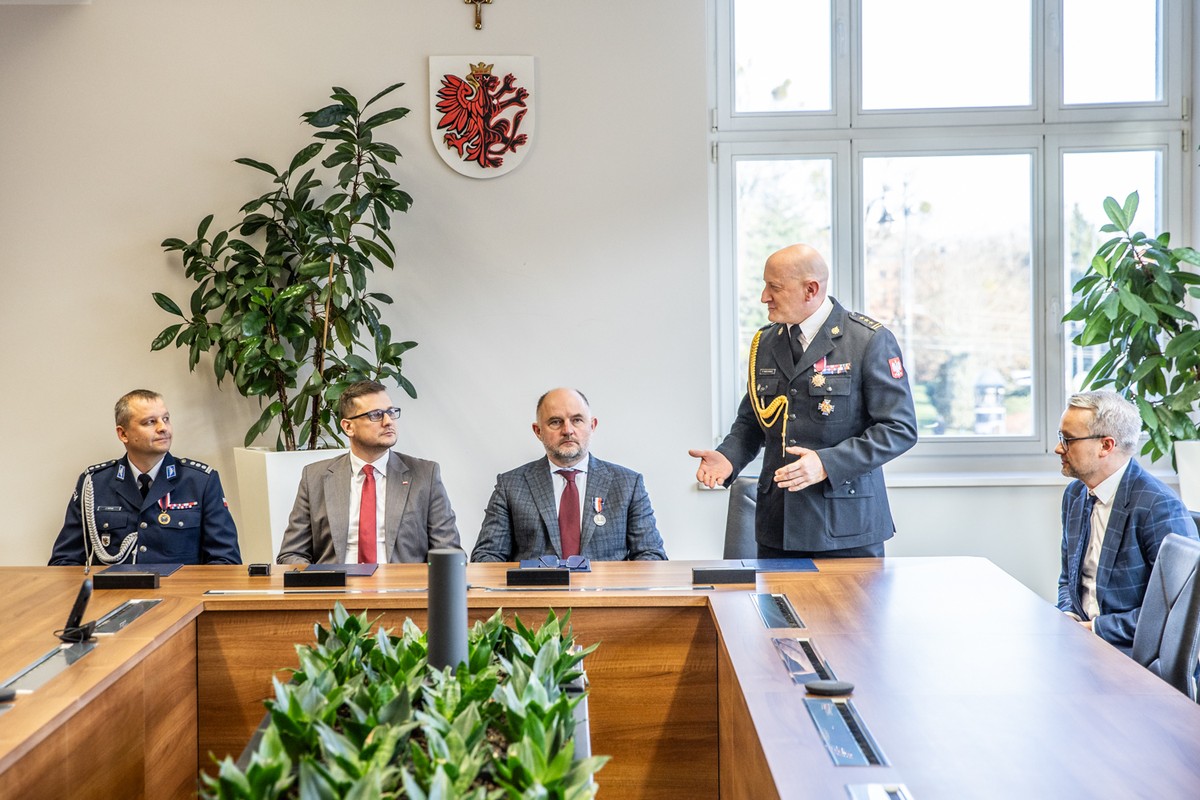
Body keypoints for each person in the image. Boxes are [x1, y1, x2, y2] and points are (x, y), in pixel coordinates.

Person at [689, 243, 918, 558]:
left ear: (811, 289)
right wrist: (729, 457)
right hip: (778, 527)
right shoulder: (766, 342)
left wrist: (827, 463)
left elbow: (899, 428)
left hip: (846, 529)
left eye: (774, 287)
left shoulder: (867, 340)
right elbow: (754, 419)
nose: (764, 297)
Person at [1054, 390, 1198, 655]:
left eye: (1068, 439)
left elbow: (1179, 609)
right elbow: (1068, 580)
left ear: (1106, 446)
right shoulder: (1075, 495)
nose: (1058, 448)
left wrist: (1094, 628)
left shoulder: (1157, 505)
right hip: (1082, 641)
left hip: (1132, 652)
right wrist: (1068, 617)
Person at [471, 388, 668, 563]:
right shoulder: (510, 486)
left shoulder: (628, 484)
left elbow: (651, 555)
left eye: (577, 420)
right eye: (555, 422)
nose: (567, 430)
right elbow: (486, 557)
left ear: (592, 425)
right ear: (538, 431)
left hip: (605, 592)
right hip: (536, 592)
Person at [49, 389, 241, 567]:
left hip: (180, 592)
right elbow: (64, 562)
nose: (163, 428)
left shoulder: (200, 482)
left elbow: (226, 561)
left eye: (166, 419)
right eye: (150, 422)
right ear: (123, 434)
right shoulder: (94, 483)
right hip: (113, 592)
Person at [276, 380, 461, 564]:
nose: (388, 421)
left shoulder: (425, 475)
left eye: (391, 412)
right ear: (348, 427)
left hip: (401, 582)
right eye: (376, 415)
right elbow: (291, 554)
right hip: (336, 581)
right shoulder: (314, 477)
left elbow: (448, 552)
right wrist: (318, 579)